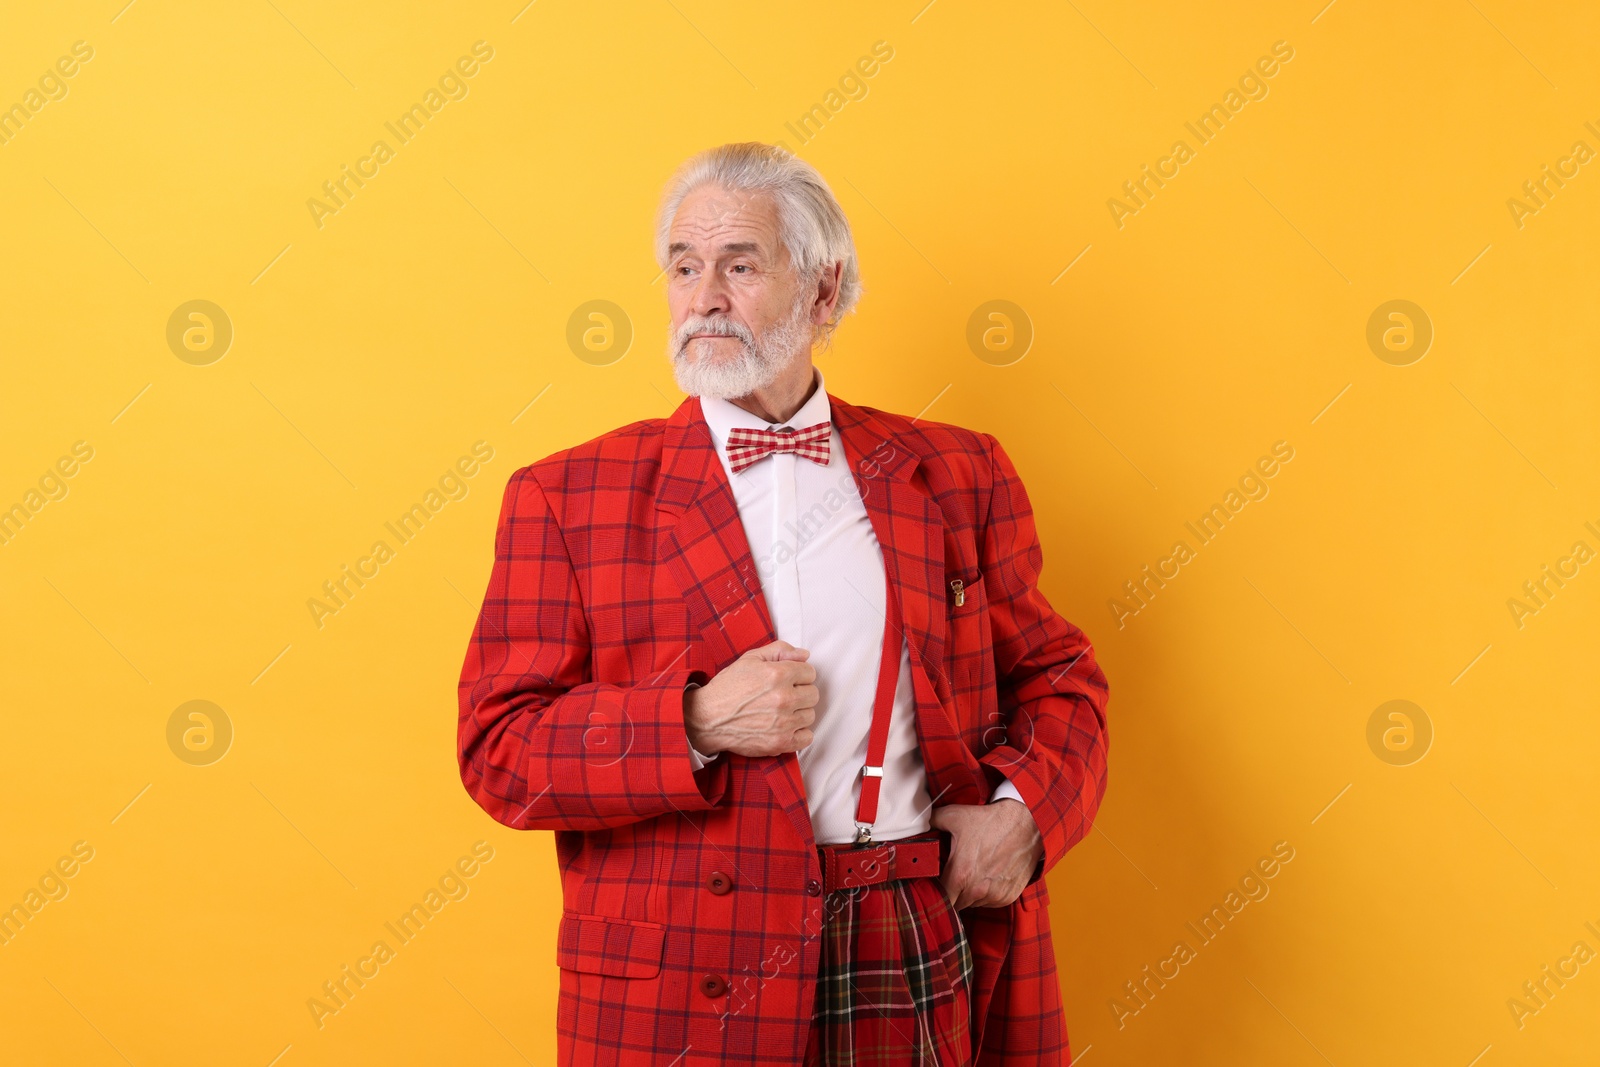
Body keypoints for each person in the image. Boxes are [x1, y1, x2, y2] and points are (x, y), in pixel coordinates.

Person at [457, 142, 1109, 1066]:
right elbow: (499, 748)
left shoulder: (960, 473)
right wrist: (692, 721)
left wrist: (1024, 815)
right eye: (683, 267)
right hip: (686, 979)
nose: (703, 297)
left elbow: (1063, 684)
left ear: (822, 289)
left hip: (907, 935)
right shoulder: (567, 495)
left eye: (739, 265)